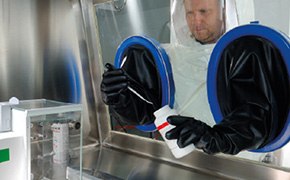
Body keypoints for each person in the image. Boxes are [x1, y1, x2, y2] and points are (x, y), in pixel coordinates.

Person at [101, 0, 287, 156]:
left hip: (241, 166)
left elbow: (257, 117)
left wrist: (216, 137)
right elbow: (145, 113)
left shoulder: (250, 53)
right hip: (189, 164)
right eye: (190, 13)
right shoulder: (170, 58)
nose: (196, 20)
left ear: (225, 10)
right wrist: (119, 97)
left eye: (204, 11)